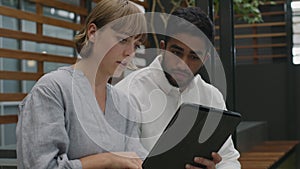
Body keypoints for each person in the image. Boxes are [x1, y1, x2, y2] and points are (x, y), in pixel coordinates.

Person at [16, 0, 148, 168]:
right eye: (122, 40)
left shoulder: (123, 103)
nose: (130, 52)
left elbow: (137, 160)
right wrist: (107, 160)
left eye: (136, 45)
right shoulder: (52, 90)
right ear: (93, 33)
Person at [115, 7, 241, 169]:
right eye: (176, 52)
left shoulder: (211, 97)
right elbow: (119, 161)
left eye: (194, 57)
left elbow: (229, 159)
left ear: (205, 59)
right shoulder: (129, 92)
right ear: (163, 47)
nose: (183, 64)